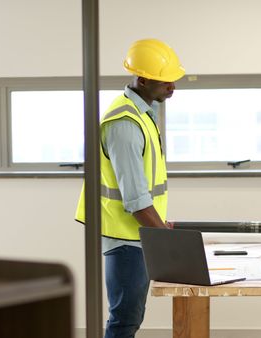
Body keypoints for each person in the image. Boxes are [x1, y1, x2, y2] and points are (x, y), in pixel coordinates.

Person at [75, 38, 185, 338]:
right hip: (126, 239)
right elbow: (136, 199)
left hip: (139, 235)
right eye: (165, 81)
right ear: (143, 78)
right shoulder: (124, 123)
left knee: (129, 319)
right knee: (124, 321)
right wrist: (167, 244)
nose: (172, 86)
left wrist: (160, 227)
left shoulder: (143, 114)